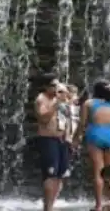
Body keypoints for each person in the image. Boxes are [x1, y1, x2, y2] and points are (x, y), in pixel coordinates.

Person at [74, 79, 110, 211]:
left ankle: (98, 205)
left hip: (95, 134)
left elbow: (82, 123)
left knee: (98, 171)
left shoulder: (89, 103)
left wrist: (76, 137)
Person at [34, 74, 68, 211]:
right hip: (48, 140)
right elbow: (43, 119)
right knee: (50, 174)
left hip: (62, 140)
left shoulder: (59, 98)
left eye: (57, 85)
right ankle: (47, 208)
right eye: (53, 85)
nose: (56, 88)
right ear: (45, 86)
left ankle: (51, 205)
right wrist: (56, 105)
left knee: (61, 175)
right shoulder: (41, 99)